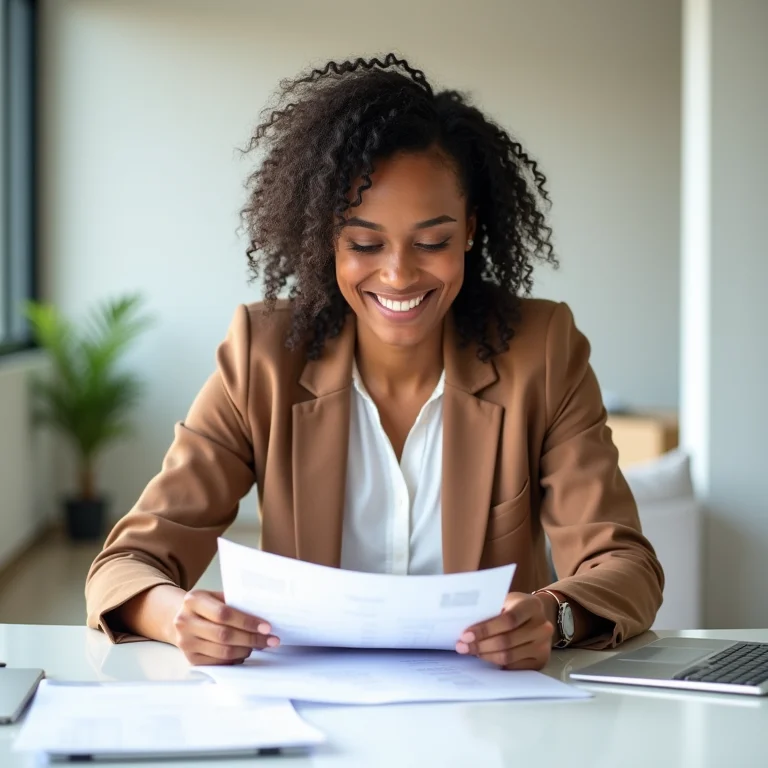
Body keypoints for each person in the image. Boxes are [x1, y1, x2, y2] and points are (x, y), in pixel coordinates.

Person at [86, 54, 663, 669]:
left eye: (432, 242)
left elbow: (626, 567)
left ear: (470, 230)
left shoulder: (541, 350)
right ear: (324, 237)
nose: (398, 274)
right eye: (364, 243)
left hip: (492, 724)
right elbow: (124, 566)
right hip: (311, 718)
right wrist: (178, 617)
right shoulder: (262, 358)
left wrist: (553, 612)